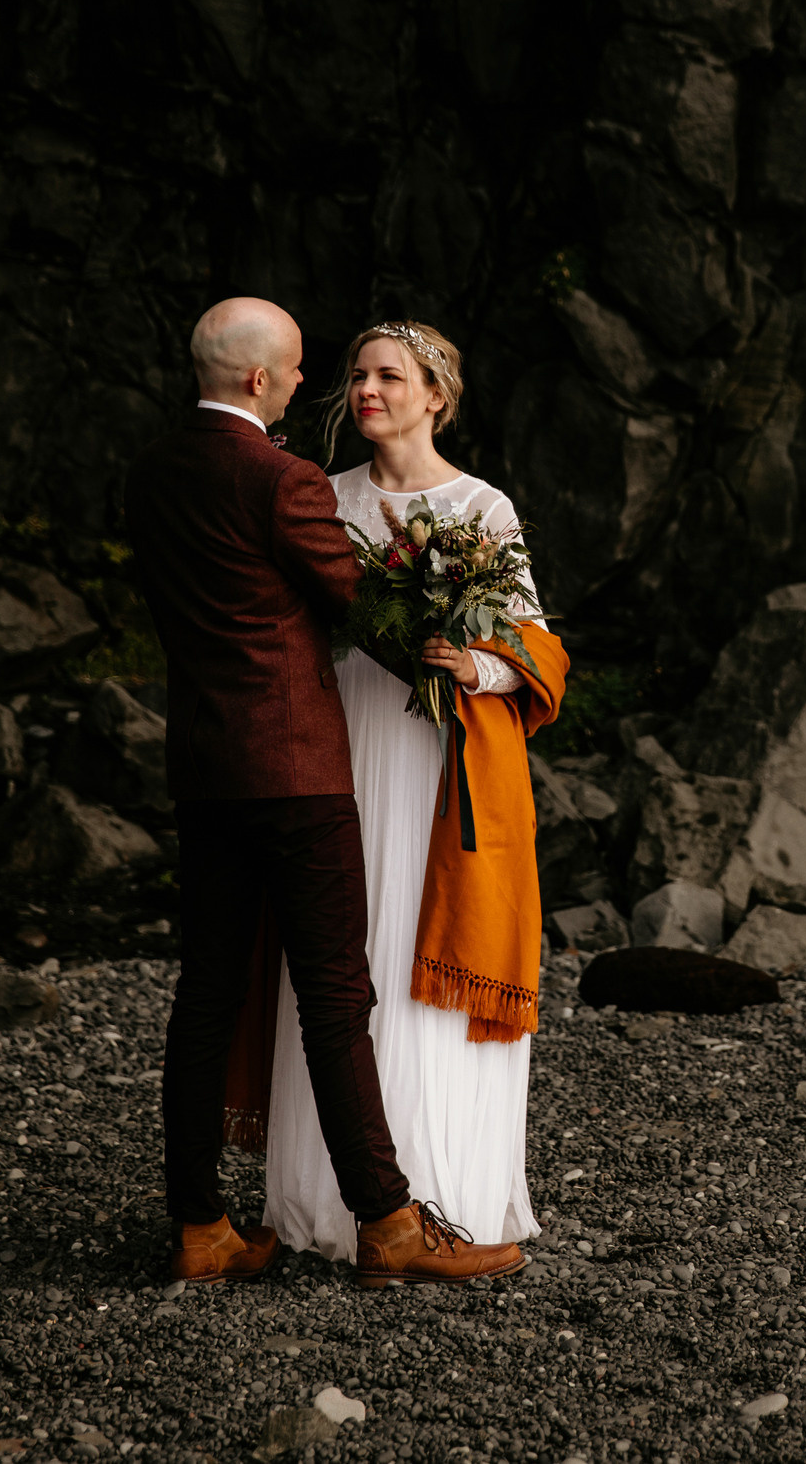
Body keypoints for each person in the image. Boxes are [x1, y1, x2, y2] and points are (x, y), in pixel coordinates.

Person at [125, 296, 528, 1289]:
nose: (327, 386)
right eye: (310, 368)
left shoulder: (152, 470)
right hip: (303, 766)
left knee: (207, 993)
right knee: (338, 997)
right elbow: (355, 602)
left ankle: (200, 1226)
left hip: (206, 766)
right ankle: (390, 1225)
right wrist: (435, 649)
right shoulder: (288, 481)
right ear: (260, 379)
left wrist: (488, 662)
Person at [248, 317, 566, 1261]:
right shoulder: (321, 497)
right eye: (356, 376)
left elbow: (534, 639)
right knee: (348, 951)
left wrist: (476, 665)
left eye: (389, 375)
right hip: (345, 733)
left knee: (424, 945)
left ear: (437, 395)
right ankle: (338, 1198)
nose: (367, 390)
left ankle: (441, 1186)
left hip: (439, 750)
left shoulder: (484, 506)